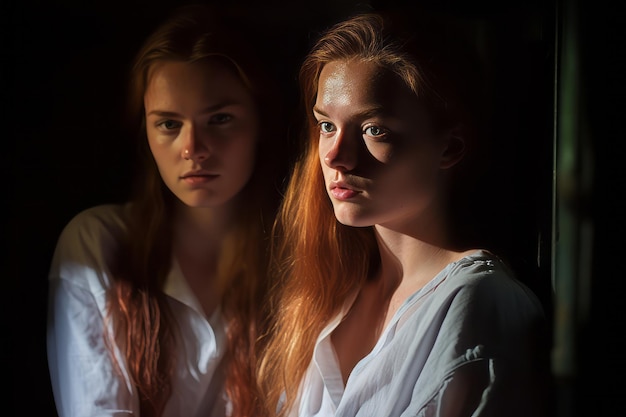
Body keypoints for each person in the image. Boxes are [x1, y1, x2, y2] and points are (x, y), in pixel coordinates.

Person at [257, 10, 551, 417]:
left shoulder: (477, 304)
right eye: (326, 125)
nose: (335, 156)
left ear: (449, 147)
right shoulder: (332, 294)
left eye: (373, 129)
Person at [46, 4, 287, 417]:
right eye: (169, 124)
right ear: (145, 130)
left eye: (220, 118)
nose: (193, 148)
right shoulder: (98, 245)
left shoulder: (294, 256)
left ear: (259, 122)